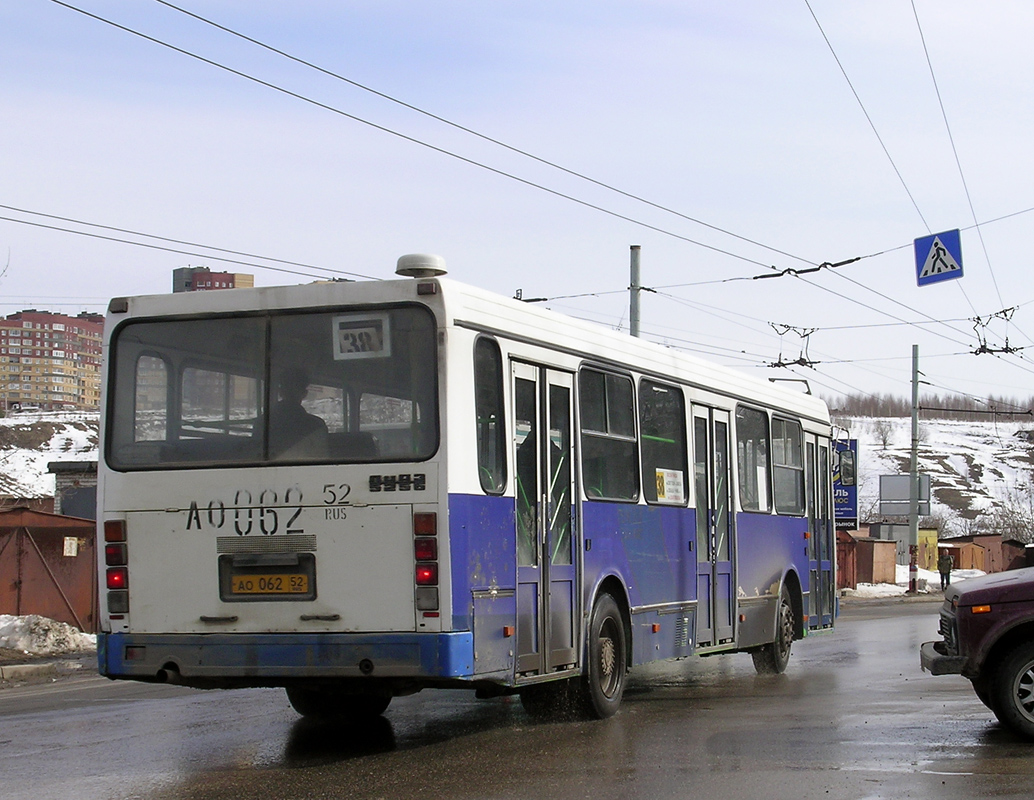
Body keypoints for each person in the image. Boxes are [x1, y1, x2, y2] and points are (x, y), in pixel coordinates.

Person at [269, 366, 329, 459]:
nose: (291, 392)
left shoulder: (263, 423)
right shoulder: (316, 425)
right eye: (289, 388)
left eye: (294, 388)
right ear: (304, 393)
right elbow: (322, 459)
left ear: (280, 391)